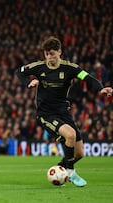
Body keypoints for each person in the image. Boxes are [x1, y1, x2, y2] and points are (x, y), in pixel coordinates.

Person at [16, 36, 113, 187]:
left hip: (63, 113)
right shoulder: (39, 67)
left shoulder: (70, 68)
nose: (49, 57)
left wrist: (101, 88)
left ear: (59, 52)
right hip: (46, 114)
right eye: (47, 54)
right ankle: (70, 172)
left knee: (79, 153)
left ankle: (59, 169)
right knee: (70, 135)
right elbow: (19, 71)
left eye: (52, 53)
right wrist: (29, 82)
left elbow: (87, 77)